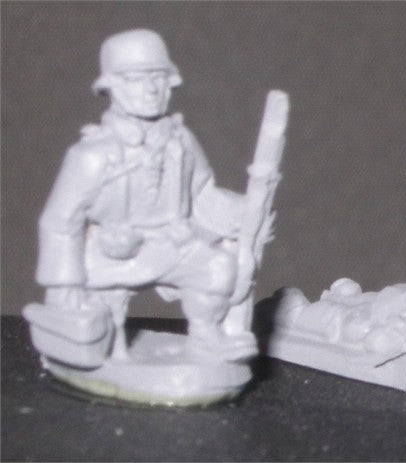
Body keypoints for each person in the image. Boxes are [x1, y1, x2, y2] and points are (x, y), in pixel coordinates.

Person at [31, 29, 256, 364]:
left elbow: (201, 192)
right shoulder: (92, 155)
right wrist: (65, 285)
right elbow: (60, 221)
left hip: (173, 243)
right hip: (109, 255)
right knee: (101, 318)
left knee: (218, 268)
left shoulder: (180, 141)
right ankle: (110, 350)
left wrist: (243, 212)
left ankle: (206, 336)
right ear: (113, 86)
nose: (151, 89)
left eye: (158, 77)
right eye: (136, 79)